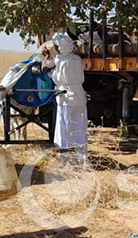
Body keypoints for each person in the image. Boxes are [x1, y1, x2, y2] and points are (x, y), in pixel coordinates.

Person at [42, 32, 88, 160]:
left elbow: (44, 68)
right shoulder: (77, 59)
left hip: (66, 98)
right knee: (79, 125)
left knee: (64, 125)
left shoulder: (58, 59)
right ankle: (81, 153)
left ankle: (63, 155)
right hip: (79, 96)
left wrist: (46, 56)